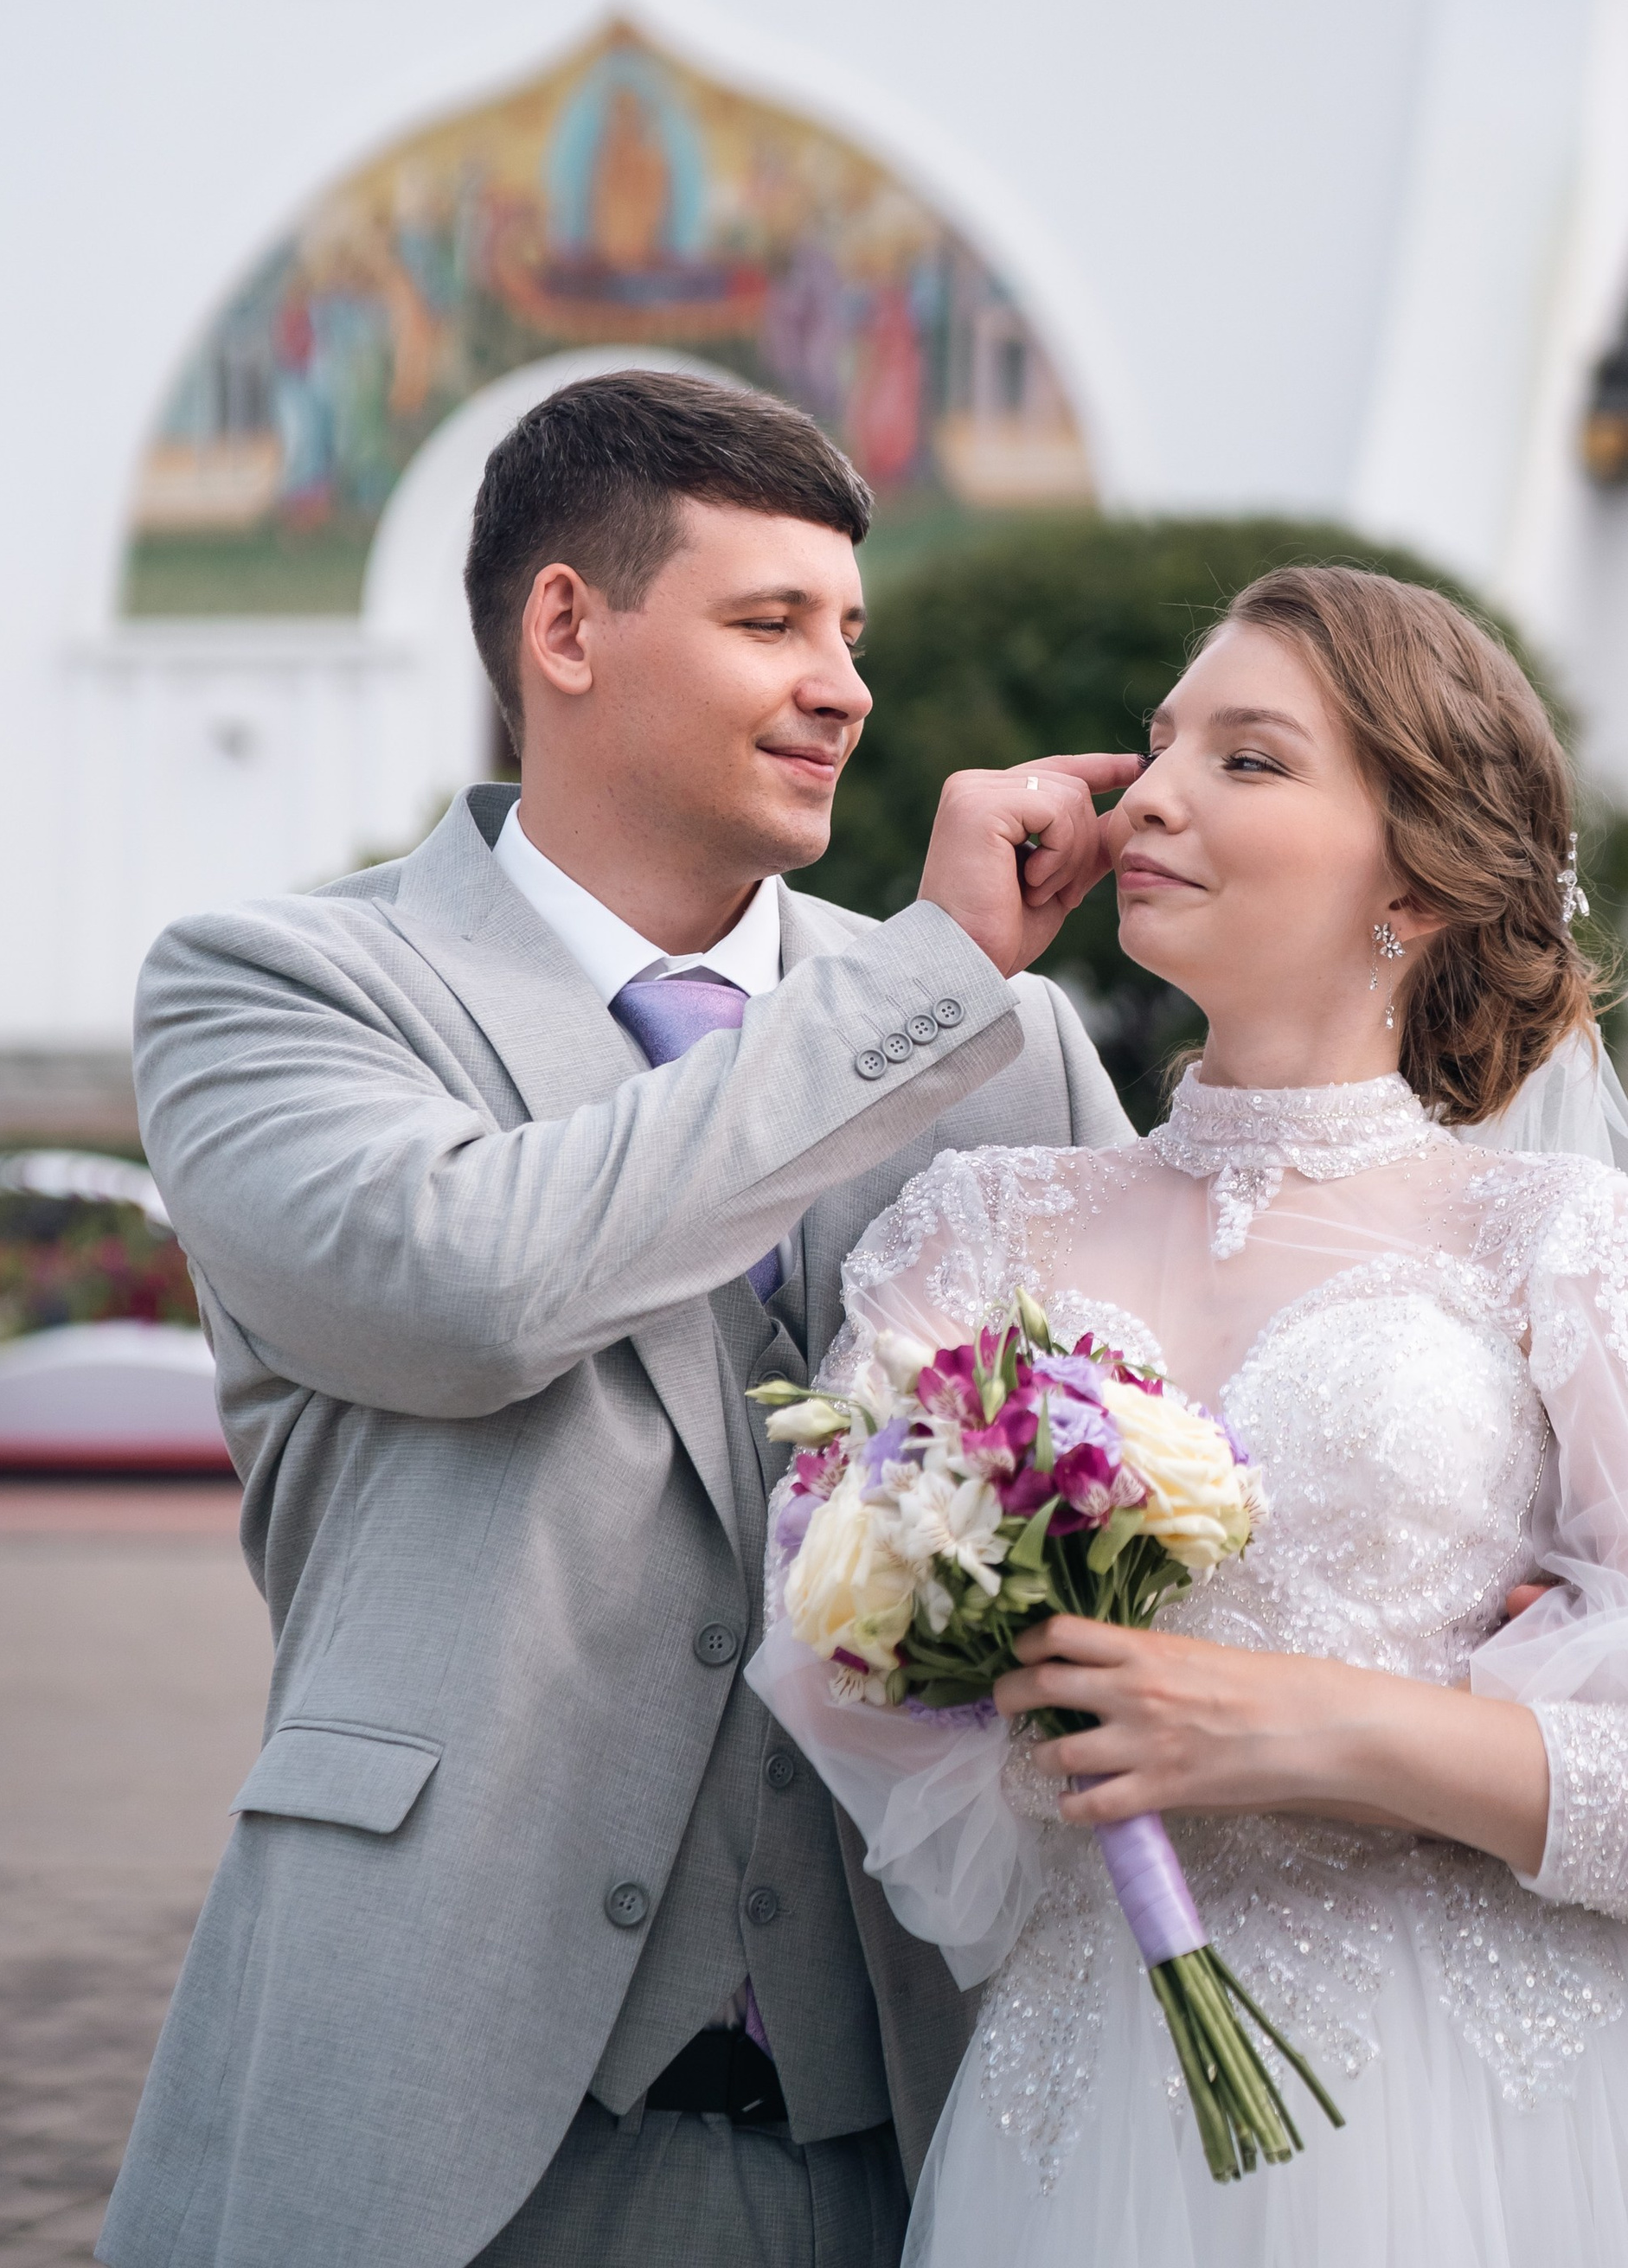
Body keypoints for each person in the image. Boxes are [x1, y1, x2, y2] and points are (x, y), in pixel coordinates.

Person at [99, 368, 1136, 2268]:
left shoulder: (1015, 1048)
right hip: (437, 2122)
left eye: (851, 633)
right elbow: (469, 1288)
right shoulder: (281, 985)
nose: (844, 687)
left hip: (924, 2134)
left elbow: (1173, 1454)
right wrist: (922, 987)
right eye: (772, 623)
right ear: (564, 627)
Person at [769, 564, 1628, 2266]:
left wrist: (1338, 1734)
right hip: (1108, 2092)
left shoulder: (1562, 1242)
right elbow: (837, 1658)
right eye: (1161, 743)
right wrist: (1028, 1705)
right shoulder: (976, 1228)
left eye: (1247, 758)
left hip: (1523, 2115)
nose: (1152, 795)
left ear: (1419, 877)